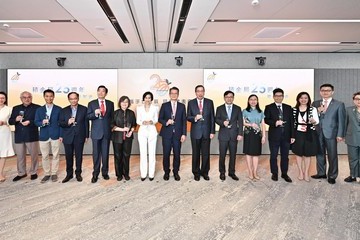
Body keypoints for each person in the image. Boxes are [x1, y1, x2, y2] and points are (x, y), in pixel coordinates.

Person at [311, 84, 345, 184]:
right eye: (323, 90)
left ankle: (332, 175)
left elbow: (341, 121)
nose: (325, 92)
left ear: (332, 92)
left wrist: (340, 134)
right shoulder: (315, 103)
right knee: (319, 154)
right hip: (318, 133)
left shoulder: (339, 104)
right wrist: (317, 111)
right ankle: (321, 173)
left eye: (328, 90)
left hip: (332, 133)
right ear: (320, 92)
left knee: (332, 155)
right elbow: (312, 118)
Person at [264, 88, 295, 183]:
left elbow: (291, 122)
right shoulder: (269, 107)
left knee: (285, 156)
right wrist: (275, 123)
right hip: (274, 136)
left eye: (280, 96)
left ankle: (284, 173)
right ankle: (274, 173)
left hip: (286, 136)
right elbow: (266, 120)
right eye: (276, 96)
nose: (278, 97)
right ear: (273, 97)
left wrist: (292, 136)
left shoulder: (288, 107)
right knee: (273, 155)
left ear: (283, 96)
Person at [9, 91, 40, 181]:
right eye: (24, 97)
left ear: (31, 98)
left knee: (34, 155)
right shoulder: (16, 108)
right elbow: (10, 121)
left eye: (29, 97)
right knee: (20, 156)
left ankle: (33, 172)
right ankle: (21, 173)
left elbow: (39, 120)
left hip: (31, 135)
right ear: (21, 99)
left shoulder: (37, 108)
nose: (27, 99)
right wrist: (16, 119)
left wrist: (30, 121)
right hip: (19, 135)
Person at [59, 92, 89, 183]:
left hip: (79, 135)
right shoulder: (64, 110)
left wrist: (86, 135)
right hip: (67, 136)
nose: (73, 100)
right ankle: (69, 174)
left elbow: (86, 123)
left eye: (75, 98)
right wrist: (68, 122)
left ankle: (78, 173)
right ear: (69, 100)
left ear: (78, 98)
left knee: (79, 156)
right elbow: (60, 123)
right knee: (68, 156)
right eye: (71, 99)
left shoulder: (84, 109)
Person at [187, 85, 215, 181]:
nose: (200, 93)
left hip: (207, 132)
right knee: (196, 153)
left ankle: (205, 172)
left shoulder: (209, 102)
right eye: (198, 91)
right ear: (195, 92)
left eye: (201, 91)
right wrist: (195, 118)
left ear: (204, 92)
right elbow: (188, 117)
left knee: (206, 153)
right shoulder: (191, 103)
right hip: (195, 132)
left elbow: (212, 118)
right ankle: (196, 173)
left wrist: (212, 131)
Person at [159, 87, 187, 181]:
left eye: (176, 93)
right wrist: (167, 122)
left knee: (177, 154)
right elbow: (160, 119)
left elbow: (184, 121)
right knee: (166, 154)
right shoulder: (164, 105)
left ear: (178, 95)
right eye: (172, 93)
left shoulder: (182, 106)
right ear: (169, 94)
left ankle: (176, 172)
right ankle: (166, 172)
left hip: (178, 135)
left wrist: (184, 134)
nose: (174, 95)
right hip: (167, 134)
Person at [87, 85, 114, 183]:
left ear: (106, 93)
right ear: (97, 92)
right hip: (96, 133)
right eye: (99, 91)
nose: (101, 93)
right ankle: (95, 174)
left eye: (103, 91)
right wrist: (95, 113)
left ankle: (105, 173)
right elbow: (88, 116)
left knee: (106, 154)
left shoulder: (110, 103)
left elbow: (112, 118)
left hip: (106, 133)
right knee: (96, 154)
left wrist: (110, 128)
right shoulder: (92, 103)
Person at [35, 89, 62, 183]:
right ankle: (47, 174)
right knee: (44, 156)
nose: (49, 98)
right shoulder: (39, 110)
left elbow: (61, 124)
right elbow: (36, 122)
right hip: (43, 136)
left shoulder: (59, 109)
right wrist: (42, 122)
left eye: (51, 96)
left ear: (53, 97)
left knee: (55, 155)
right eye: (47, 96)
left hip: (55, 135)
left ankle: (54, 173)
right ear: (44, 97)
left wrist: (61, 135)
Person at [215, 90, 243, 181]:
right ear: (224, 98)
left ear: (233, 98)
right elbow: (216, 119)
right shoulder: (219, 108)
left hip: (234, 135)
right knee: (222, 155)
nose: (229, 98)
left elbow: (240, 122)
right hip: (223, 135)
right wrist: (223, 123)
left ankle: (232, 172)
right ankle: (222, 173)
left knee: (233, 155)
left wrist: (240, 134)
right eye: (227, 97)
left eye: (231, 97)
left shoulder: (237, 108)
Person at [291, 92, 319, 182]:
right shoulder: (294, 109)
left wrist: (313, 121)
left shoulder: (312, 109)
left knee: (308, 154)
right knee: (298, 153)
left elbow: (317, 122)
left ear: (308, 99)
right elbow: (292, 123)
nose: (303, 100)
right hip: (297, 133)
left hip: (309, 133)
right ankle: (300, 172)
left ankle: (306, 172)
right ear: (298, 99)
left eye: (305, 98)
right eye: (301, 98)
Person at [111, 96, 136, 181]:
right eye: (122, 102)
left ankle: (126, 174)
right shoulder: (115, 113)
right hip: (117, 137)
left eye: (126, 102)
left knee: (126, 155)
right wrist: (122, 129)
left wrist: (131, 131)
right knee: (118, 156)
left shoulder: (131, 113)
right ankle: (119, 174)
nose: (124, 104)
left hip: (128, 137)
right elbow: (111, 126)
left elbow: (134, 125)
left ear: (128, 103)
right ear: (120, 103)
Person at [242, 94, 266, 180]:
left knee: (256, 154)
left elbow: (263, 125)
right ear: (248, 101)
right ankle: (250, 172)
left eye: (255, 99)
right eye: (251, 99)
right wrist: (251, 124)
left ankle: (255, 172)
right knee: (248, 154)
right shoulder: (244, 111)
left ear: (257, 101)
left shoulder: (260, 111)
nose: (253, 101)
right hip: (248, 134)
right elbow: (242, 123)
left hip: (257, 135)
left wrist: (264, 136)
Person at [137, 91, 158, 181]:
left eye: (149, 98)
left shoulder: (155, 108)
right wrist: (143, 122)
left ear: (151, 99)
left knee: (152, 152)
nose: (147, 99)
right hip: (142, 131)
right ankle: (143, 173)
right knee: (143, 153)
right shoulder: (139, 108)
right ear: (143, 99)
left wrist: (152, 122)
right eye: (146, 98)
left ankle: (151, 174)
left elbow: (156, 119)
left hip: (152, 131)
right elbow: (138, 120)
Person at [343, 92, 360, 183]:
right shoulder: (348, 110)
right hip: (352, 138)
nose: (359, 101)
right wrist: (343, 135)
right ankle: (353, 175)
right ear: (353, 100)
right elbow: (344, 123)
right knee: (353, 158)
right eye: (357, 99)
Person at [0, 92, 15, 182]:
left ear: (5, 99)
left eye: (3, 98)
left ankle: (0, 173)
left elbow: (12, 121)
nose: (1, 100)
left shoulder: (9, 109)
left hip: (4, 133)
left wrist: (4, 122)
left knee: (2, 154)